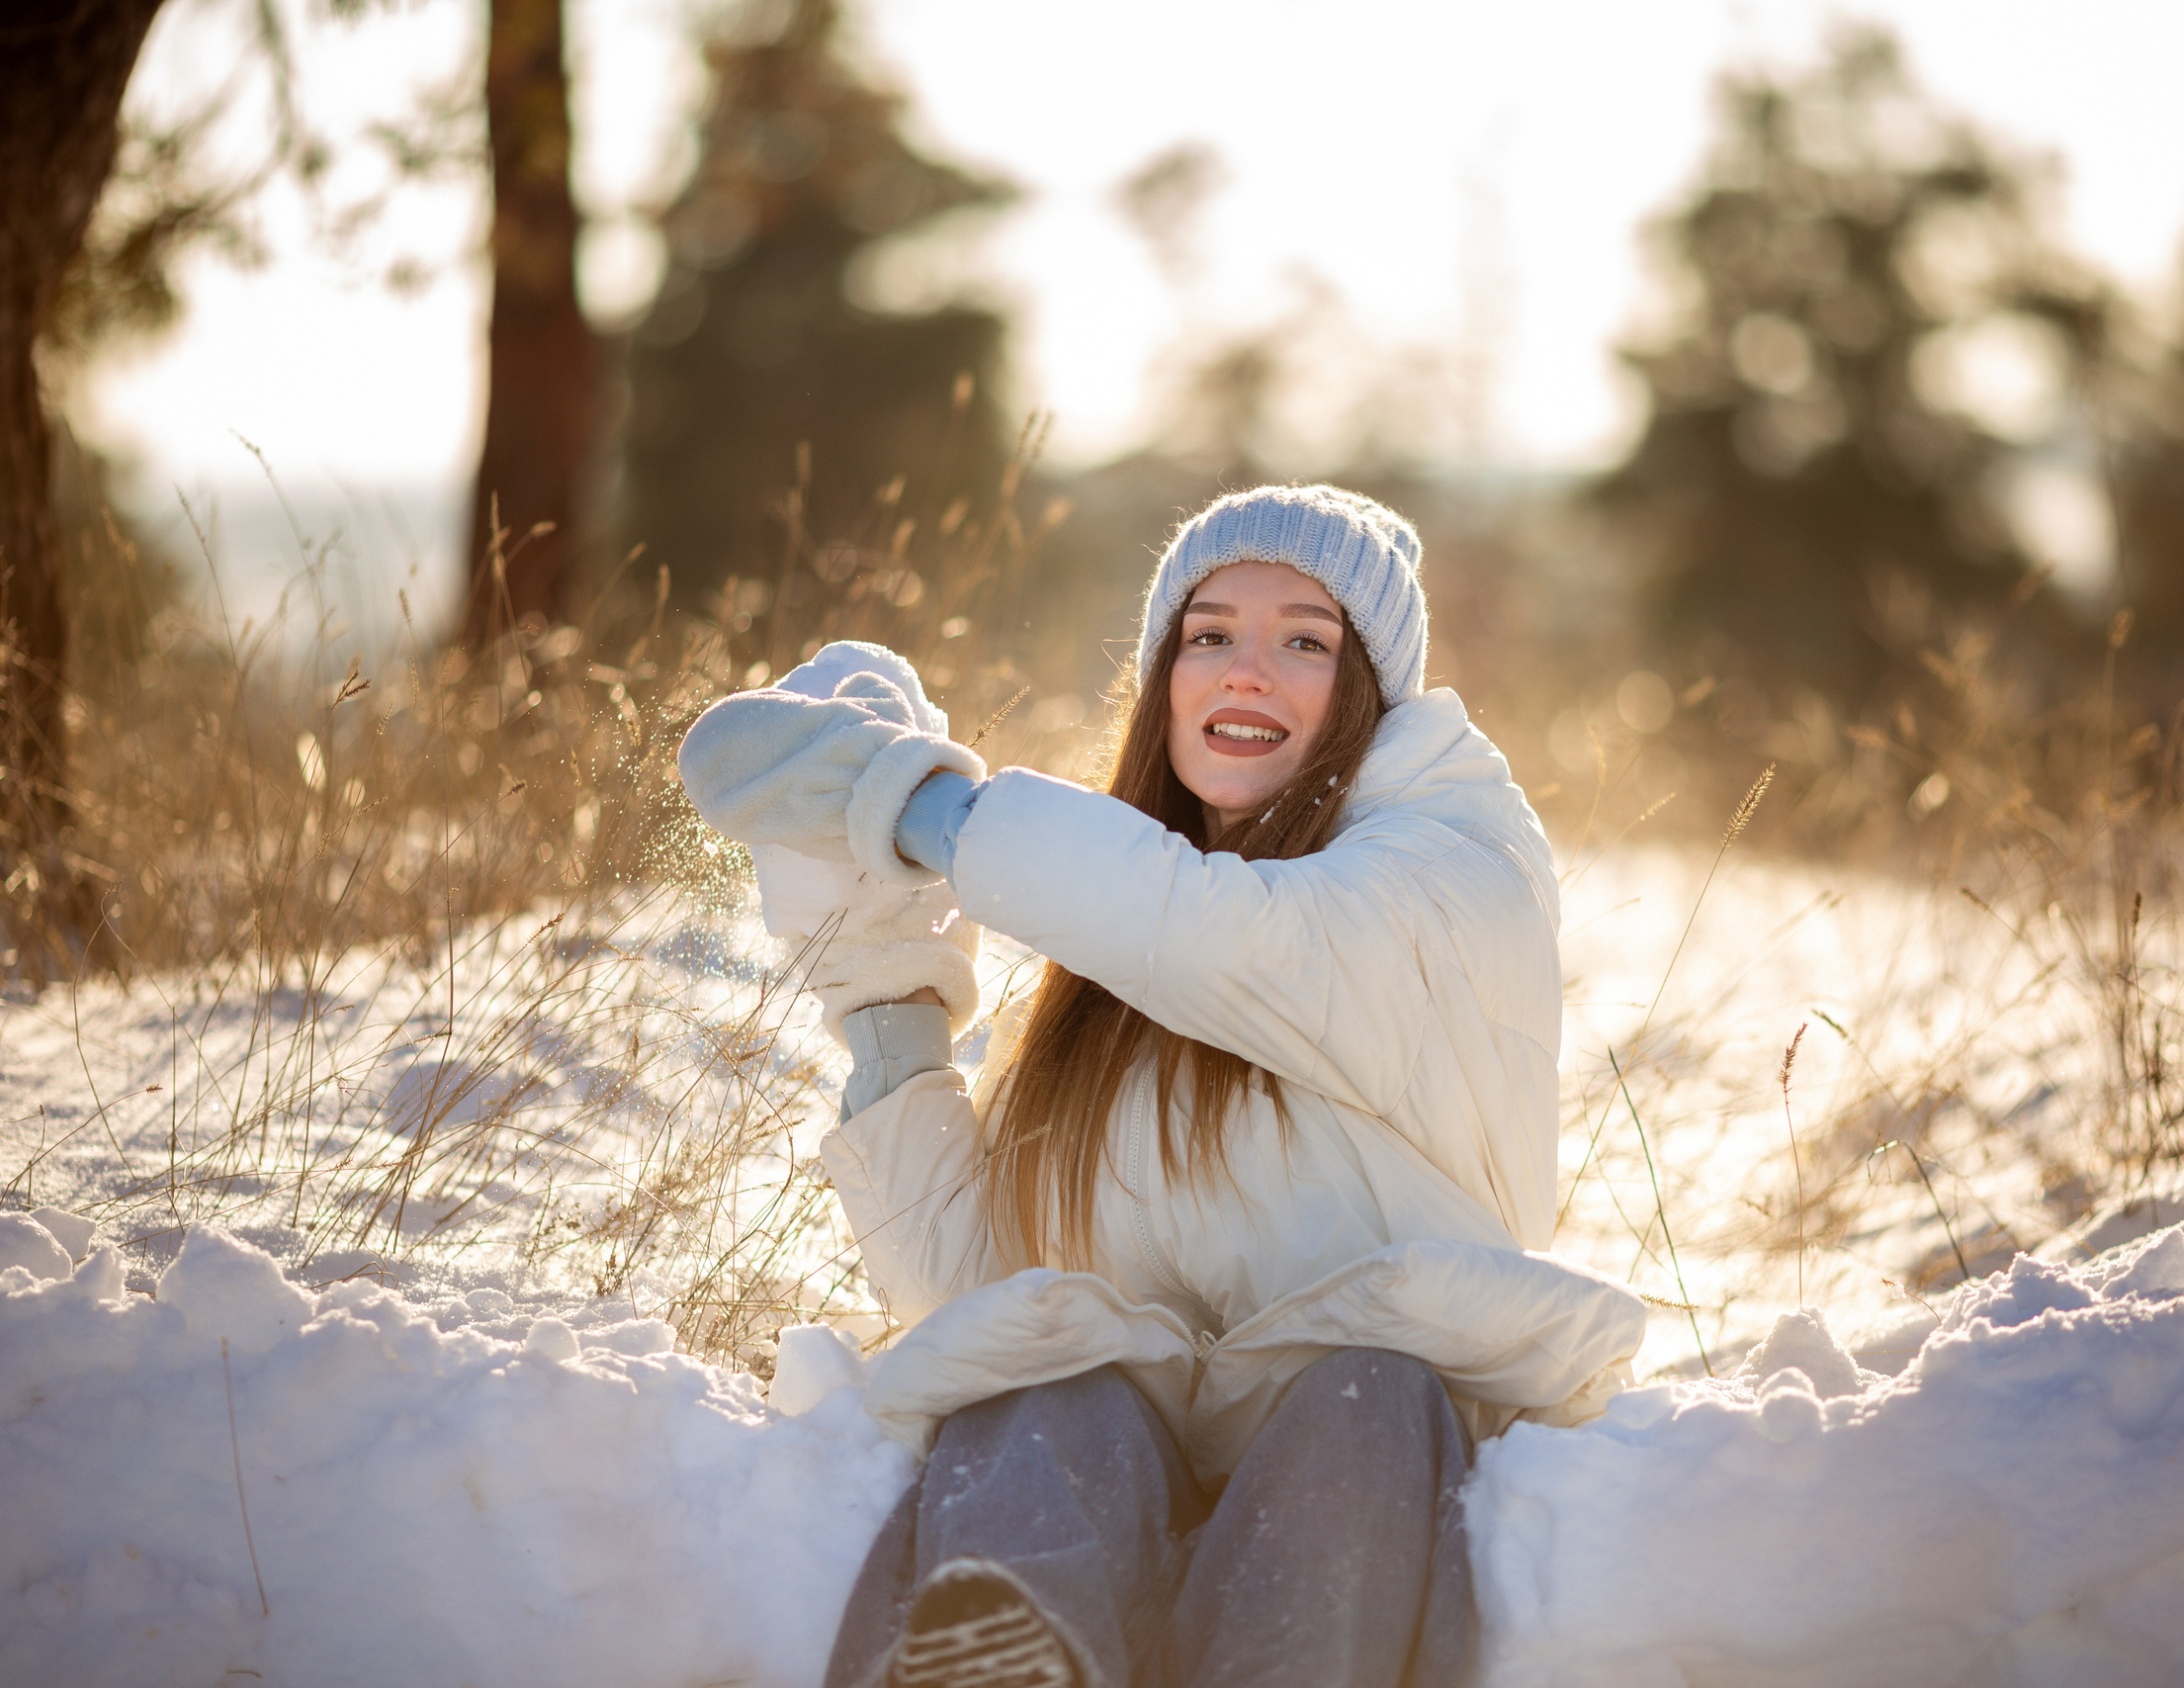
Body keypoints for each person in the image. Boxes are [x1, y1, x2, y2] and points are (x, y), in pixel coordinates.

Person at [678, 484, 1647, 1688]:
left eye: (1305, 640)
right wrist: (889, 1003)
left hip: (1360, 1427)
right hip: (1134, 1421)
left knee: (1365, 1396)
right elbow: (983, 1283)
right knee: (1043, 1388)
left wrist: (913, 809)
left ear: (1370, 692)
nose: (1247, 671)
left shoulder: (1449, 867)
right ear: (1164, 677)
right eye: (1209, 634)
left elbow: (1229, 940)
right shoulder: (1119, 965)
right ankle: (1000, 1666)